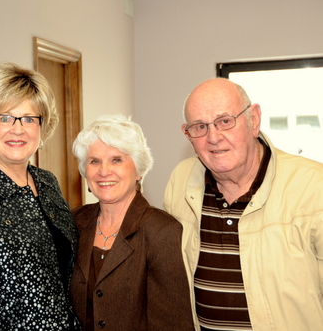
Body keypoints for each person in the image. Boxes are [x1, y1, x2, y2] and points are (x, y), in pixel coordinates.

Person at [164, 77, 323, 330]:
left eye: (225, 121)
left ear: (254, 119)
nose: (213, 137)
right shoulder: (180, 181)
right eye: (200, 127)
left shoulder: (314, 186)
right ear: (187, 134)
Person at [0, 62, 80, 330]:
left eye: (30, 119)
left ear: (42, 128)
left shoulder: (47, 182)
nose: (18, 129)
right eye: (5, 117)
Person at [70, 114, 195, 331]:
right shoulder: (74, 221)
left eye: (116, 159)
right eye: (94, 161)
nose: (103, 171)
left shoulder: (162, 231)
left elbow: (172, 324)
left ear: (138, 170)